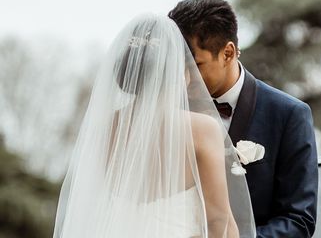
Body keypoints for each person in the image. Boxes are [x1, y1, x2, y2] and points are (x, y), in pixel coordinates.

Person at [53, 14, 255, 238]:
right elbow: (220, 221)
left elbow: (92, 205)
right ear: (179, 74)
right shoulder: (202, 130)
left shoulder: (106, 127)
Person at [169, 0, 318, 238]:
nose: (185, 76)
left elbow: (298, 220)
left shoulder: (288, 115)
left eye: (195, 65)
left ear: (228, 53)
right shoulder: (167, 115)